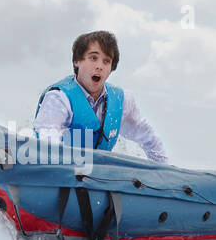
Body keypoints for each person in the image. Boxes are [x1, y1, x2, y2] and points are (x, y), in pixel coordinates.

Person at [33, 30, 168, 163]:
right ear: (77, 61)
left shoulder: (122, 101)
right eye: (93, 58)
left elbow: (150, 140)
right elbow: (47, 145)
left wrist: (163, 174)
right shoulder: (58, 98)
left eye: (106, 61)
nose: (99, 66)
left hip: (98, 181)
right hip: (61, 176)